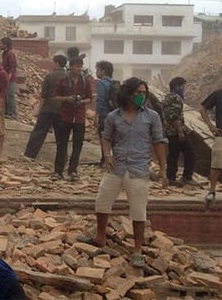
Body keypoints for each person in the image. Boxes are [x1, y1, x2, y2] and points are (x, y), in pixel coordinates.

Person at [77, 77, 168, 269]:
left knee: (138, 210)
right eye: (138, 93)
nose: (141, 96)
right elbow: (106, 138)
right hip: (116, 167)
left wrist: (163, 169)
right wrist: (107, 155)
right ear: (128, 94)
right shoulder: (113, 117)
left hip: (139, 168)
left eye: (144, 93)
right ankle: (100, 237)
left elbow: (158, 142)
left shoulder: (152, 116)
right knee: (102, 200)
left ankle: (137, 250)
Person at [50, 57, 92, 181]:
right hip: (65, 116)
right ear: (71, 67)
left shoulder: (85, 82)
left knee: (77, 145)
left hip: (79, 117)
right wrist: (66, 99)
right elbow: (54, 97)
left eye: (81, 66)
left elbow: (90, 98)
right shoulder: (63, 80)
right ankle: (58, 171)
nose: (79, 69)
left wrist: (81, 101)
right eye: (77, 66)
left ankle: (73, 170)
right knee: (61, 144)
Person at [23, 55, 68, 160]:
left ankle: (30, 154)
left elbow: (44, 95)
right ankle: (62, 158)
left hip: (48, 109)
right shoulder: (68, 77)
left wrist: (39, 108)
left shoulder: (50, 76)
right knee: (61, 136)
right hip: (62, 111)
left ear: (57, 63)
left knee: (39, 132)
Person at [162, 77, 196, 186]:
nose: (183, 89)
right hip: (176, 131)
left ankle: (171, 178)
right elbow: (174, 116)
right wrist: (180, 132)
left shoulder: (167, 97)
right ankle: (187, 177)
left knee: (173, 154)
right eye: (183, 87)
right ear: (177, 86)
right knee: (190, 153)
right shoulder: (175, 97)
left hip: (169, 131)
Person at [199, 87, 222, 205]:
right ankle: (212, 191)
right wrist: (210, 126)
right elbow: (202, 108)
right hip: (221, 135)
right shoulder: (218, 94)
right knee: (216, 164)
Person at [95, 60, 114, 167]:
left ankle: (104, 159)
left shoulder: (102, 83)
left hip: (105, 115)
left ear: (103, 71)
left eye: (97, 69)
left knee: (104, 137)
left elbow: (100, 100)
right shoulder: (113, 83)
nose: (96, 72)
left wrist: (96, 115)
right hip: (114, 114)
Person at [0, 37, 18, 119]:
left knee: (10, 96)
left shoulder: (10, 53)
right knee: (6, 95)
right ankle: (7, 113)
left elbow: (12, 67)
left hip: (10, 79)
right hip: (5, 78)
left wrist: (8, 78)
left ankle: (13, 114)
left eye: (1, 43)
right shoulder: (5, 53)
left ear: (5, 44)